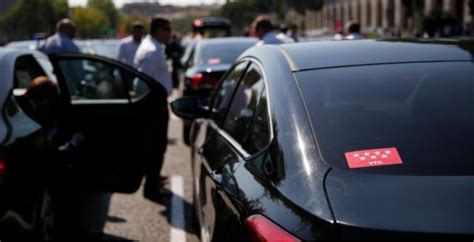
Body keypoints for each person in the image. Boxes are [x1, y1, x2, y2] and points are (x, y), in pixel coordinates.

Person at [134, 16, 172, 198]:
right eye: (168, 30)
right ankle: (151, 188)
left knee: (156, 147)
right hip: (153, 105)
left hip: (155, 103)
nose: (170, 34)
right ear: (159, 30)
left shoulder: (155, 47)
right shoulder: (151, 51)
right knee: (156, 148)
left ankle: (153, 178)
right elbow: (141, 82)